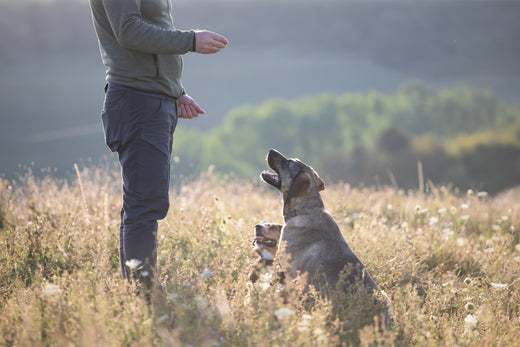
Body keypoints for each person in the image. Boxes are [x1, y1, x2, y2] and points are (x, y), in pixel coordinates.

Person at [89, 0, 228, 290]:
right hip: (138, 102)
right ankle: (145, 295)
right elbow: (128, 31)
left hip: (152, 99)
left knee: (145, 202)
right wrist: (190, 40)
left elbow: (150, 36)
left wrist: (174, 91)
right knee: (143, 204)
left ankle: (140, 290)